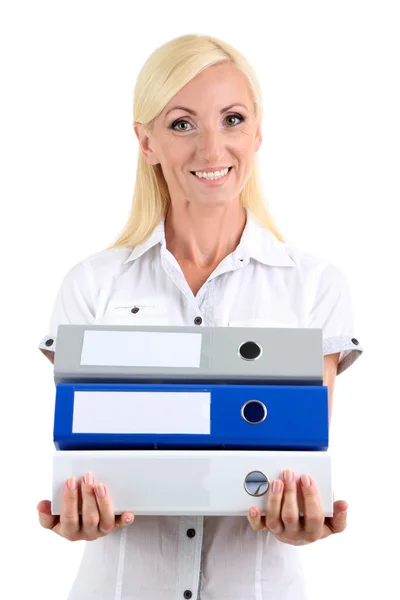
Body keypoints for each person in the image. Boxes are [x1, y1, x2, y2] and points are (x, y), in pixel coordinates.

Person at [37, 33, 363, 600]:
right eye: (183, 124)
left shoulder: (315, 287)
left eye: (232, 119)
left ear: (258, 133)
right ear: (146, 143)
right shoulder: (91, 285)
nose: (213, 150)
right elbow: (85, 450)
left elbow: (301, 453)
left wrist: (301, 519)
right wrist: (80, 510)